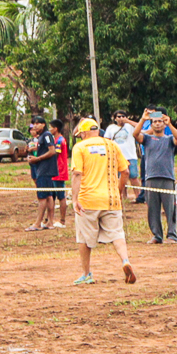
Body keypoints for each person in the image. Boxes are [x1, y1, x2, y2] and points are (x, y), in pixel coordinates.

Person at [66, 117, 138, 285]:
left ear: (83, 133)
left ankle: (86, 273)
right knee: (117, 234)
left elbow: (77, 174)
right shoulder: (112, 145)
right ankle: (125, 260)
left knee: (84, 238)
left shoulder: (80, 147)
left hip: (88, 200)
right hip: (111, 200)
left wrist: (74, 199)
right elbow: (125, 172)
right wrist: (118, 191)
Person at [139, 110, 177, 244]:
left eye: (160, 121)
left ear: (164, 124)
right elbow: (135, 134)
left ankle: (172, 235)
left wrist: (170, 124)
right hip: (151, 178)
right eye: (155, 122)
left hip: (167, 177)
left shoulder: (169, 139)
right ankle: (157, 235)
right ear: (151, 125)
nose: (157, 124)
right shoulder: (147, 139)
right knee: (153, 209)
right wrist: (143, 120)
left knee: (170, 208)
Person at [24, 118, 58, 231]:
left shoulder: (46, 135)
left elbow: (52, 151)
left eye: (37, 123)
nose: (35, 126)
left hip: (45, 170)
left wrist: (37, 159)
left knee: (42, 197)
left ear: (43, 124)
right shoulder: (41, 136)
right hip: (43, 169)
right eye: (33, 123)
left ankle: (38, 223)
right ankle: (50, 222)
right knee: (48, 196)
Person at [105, 113, 143, 204]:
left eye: (123, 116)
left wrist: (128, 121)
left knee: (133, 176)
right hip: (117, 157)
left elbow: (140, 127)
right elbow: (107, 140)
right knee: (121, 177)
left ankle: (138, 196)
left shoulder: (130, 126)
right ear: (115, 118)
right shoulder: (111, 128)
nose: (121, 118)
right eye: (119, 116)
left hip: (131, 156)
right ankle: (123, 196)